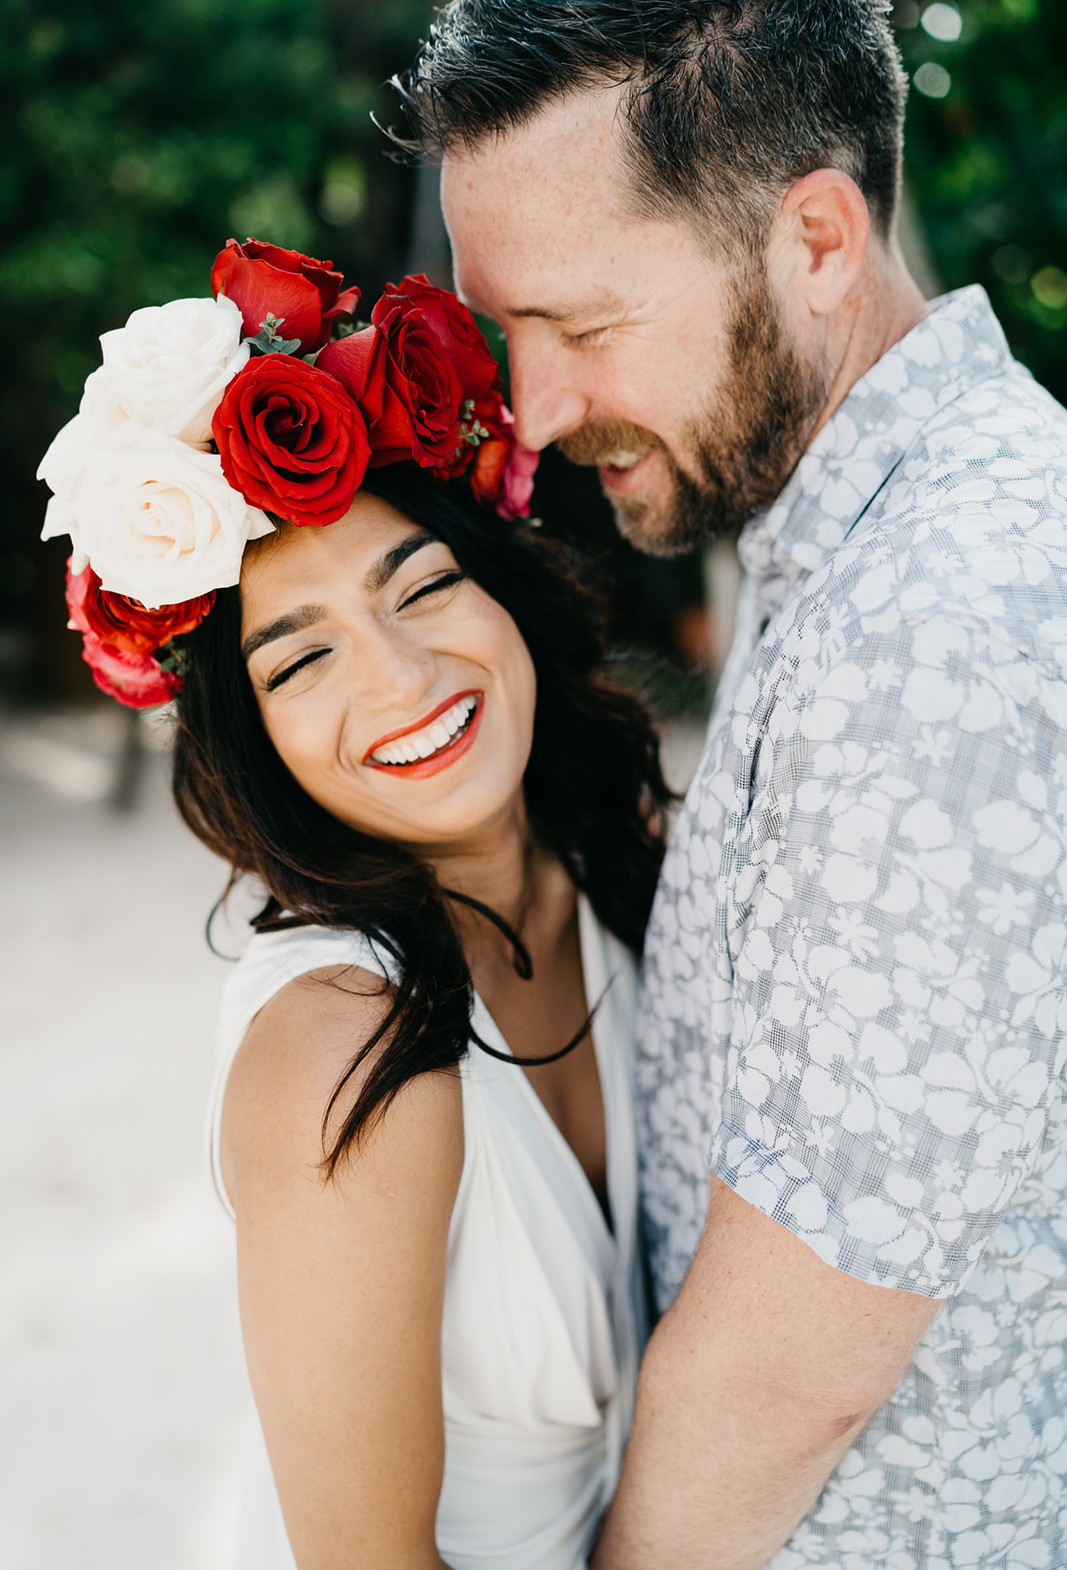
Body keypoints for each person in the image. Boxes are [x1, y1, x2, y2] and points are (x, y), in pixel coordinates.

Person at [401, 0, 1067, 1564]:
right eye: (510, 332)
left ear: (817, 242)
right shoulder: (886, 531)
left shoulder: (933, 622)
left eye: (584, 323)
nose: (536, 406)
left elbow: (787, 1381)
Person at [37, 243, 674, 1568]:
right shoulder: (345, 1046)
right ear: (254, 740)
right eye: (304, 654)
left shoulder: (625, 867)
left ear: (502, 592)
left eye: (423, 587)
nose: (399, 678)